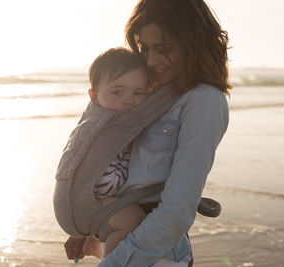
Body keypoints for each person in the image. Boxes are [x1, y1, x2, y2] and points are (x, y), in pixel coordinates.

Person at [66, 0, 231, 266]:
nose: (151, 61)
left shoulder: (204, 101)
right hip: (124, 237)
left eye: (163, 49)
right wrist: (91, 223)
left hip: (156, 254)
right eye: (144, 48)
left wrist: (115, 262)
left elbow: (176, 211)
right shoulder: (150, 93)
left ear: (194, 43)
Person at [64, 47, 151, 260]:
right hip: (91, 201)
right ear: (94, 97)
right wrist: (73, 225)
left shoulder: (125, 123)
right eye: (117, 92)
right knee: (132, 219)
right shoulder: (94, 128)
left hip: (109, 196)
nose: (129, 99)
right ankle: (111, 262)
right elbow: (72, 170)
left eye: (138, 93)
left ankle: (95, 246)